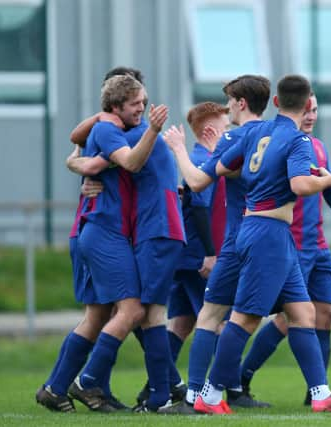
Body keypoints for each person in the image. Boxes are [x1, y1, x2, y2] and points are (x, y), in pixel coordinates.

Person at [191, 74, 331, 414]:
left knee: (303, 312)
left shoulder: (257, 131)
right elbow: (300, 185)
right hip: (268, 235)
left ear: (276, 102)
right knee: (245, 319)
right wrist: (326, 180)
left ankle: (320, 394)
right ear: (307, 106)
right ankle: (208, 396)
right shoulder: (298, 141)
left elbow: (222, 167)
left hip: (264, 231)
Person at [238, 93, 331, 406]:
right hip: (292, 243)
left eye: (315, 109)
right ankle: (242, 377)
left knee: (325, 314)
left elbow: (328, 185)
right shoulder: (285, 143)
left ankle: (318, 391)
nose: (311, 115)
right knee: (287, 319)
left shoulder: (316, 145)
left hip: (318, 244)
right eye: (307, 109)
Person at [163, 75, 272, 412]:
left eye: (230, 108)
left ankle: (180, 390)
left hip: (211, 249)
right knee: (223, 321)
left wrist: (180, 149)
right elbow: (199, 198)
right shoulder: (263, 137)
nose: (229, 117)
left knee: (194, 322)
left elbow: (196, 188)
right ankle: (220, 391)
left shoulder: (229, 143)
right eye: (223, 118)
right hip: (229, 248)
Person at [64, 75, 171, 411]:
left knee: (106, 314)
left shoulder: (118, 128)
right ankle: (93, 383)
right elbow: (124, 161)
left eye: (144, 100)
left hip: (116, 230)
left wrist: (77, 164)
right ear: (116, 106)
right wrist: (80, 166)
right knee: (140, 311)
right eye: (136, 103)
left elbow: (86, 149)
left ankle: (59, 388)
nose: (143, 107)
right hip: (112, 230)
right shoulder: (121, 131)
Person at [132, 101, 230, 410]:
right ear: (211, 130)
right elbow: (200, 207)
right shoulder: (201, 159)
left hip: (188, 255)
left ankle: (155, 387)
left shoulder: (202, 158)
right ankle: (206, 392)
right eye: (227, 128)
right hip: (197, 258)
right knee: (218, 323)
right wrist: (211, 255)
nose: (231, 134)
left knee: (183, 323)